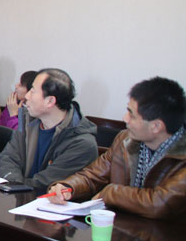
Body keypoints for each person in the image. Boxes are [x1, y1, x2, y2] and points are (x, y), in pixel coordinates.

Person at [48, 77, 186, 220]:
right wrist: (68, 187)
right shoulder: (125, 140)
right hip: (121, 227)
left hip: (163, 233)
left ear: (156, 126)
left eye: (131, 115)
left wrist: (111, 193)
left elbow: (158, 204)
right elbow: (93, 175)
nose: (125, 118)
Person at [0, 68, 98, 190]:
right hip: (17, 196)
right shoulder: (28, 121)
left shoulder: (81, 143)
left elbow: (45, 184)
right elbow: (7, 159)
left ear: (50, 101)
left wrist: (16, 187)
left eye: (33, 91)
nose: (27, 96)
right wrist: (15, 185)